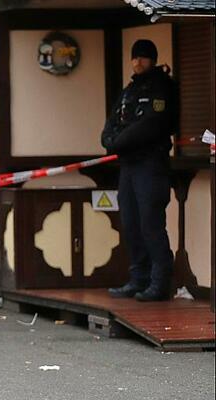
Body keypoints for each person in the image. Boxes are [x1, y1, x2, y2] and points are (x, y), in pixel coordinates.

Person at [101, 39, 178, 302]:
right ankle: (138, 279)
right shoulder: (129, 91)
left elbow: (152, 124)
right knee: (130, 223)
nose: (138, 62)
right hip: (128, 166)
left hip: (151, 164)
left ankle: (159, 282)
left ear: (153, 59)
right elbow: (111, 123)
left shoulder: (162, 88)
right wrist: (109, 140)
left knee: (150, 224)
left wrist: (119, 142)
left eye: (144, 57)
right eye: (135, 57)